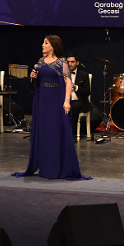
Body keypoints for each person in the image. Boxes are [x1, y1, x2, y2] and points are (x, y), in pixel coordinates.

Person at [13, 35, 90, 180]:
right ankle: (45, 167)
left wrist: (67, 101)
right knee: (43, 132)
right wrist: (33, 78)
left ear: (53, 46)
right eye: (43, 42)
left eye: (46, 43)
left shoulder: (62, 62)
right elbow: (37, 82)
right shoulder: (40, 61)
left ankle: (56, 167)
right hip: (42, 100)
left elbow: (68, 82)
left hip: (56, 100)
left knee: (55, 132)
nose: (43, 45)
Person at [67, 53, 102, 141]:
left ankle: (72, 134)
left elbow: (87, 92)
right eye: (68, 62)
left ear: (77, 62)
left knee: (74, 106)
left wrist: (75, 87)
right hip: (66, 100)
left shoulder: (83, 75)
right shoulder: (63, 75)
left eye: (72, 62)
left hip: (79, 100)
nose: (70, 64)